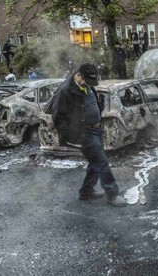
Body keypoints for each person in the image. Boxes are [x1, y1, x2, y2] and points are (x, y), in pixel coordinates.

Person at [51, 63, 127, 207]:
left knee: (95, 162)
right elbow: (58, 118)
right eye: (87, 81)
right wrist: (73, 137)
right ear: (78, 75)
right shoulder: (65, 91)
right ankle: (112, 193)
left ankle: (86, 192)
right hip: (83, 133)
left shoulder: (87, 85)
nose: (89, 85)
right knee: (102, 162)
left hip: (95, 129)